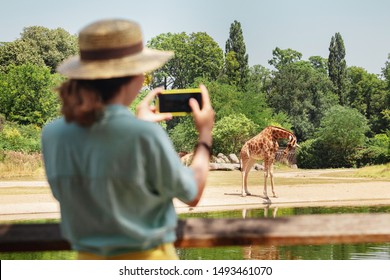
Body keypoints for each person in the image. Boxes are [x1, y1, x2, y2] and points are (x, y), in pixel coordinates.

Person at [41, 19, 214, 260]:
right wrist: (205, 133)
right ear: (135, 77)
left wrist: (139, 124)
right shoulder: (145, 135)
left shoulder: (53, 134)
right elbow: (192, 192)